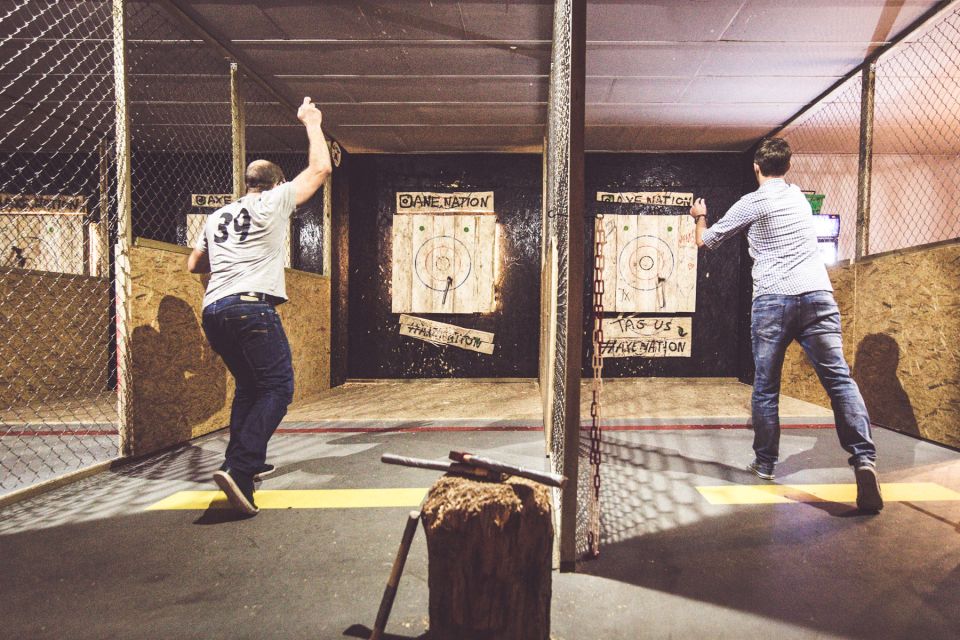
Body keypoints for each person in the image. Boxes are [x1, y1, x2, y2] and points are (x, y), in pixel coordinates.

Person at [690, 137, 883, 513]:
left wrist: (700, 214)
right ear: (788, 168)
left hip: (773, 300)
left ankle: (765, 464)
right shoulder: (797, 197)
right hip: (818, 297)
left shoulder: (753, 201)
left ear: (756, 168)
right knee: (840, 381)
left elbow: (706, 242)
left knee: (765, 387)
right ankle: (864, 459)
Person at [187, 97, 331, 515]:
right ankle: (241, 467)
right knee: (279, 387)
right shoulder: (272, 203)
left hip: (214, 310)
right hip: (251, 309)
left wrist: (231, 263)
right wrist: (312, 121)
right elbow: (320, 168)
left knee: (251, 387)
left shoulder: (218, 216)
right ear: (276, 184)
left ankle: (240, 470)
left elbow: (195, 263)